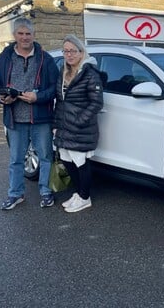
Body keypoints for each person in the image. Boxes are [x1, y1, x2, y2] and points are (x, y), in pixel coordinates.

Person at [0, 17, 58, 210]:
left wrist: (38, 97)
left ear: (33, 35)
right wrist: (1, 98)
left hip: (41, 117)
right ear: (15, 35)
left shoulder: (46, 59)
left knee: (46, 157)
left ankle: (46, 191)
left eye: (28, 34)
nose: (25, 37)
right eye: (20, 33)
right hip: (15, 118)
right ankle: (15, 194)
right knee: (16, 160)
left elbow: (55, 88)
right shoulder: (5, 57)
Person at [52, 34, 104, 213]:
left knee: (81, 162)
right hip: (64, 127)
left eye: (73, 51)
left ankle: (85, 197)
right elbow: (60, 102)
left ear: (81, 52)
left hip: (81, 128)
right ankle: (78, 192)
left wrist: (79, 121)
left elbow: (96, 103)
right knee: (67, 161)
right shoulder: (63, 72)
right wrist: (55, 125)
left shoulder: (90, 73)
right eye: (65, 51)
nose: (69, 55)